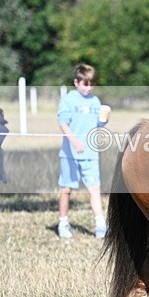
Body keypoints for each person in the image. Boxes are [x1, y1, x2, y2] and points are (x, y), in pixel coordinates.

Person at [56, 63, 111, 239]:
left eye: (91, 84)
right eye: (85, 84)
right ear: (76, 82)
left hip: (90, 154)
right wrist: (74, 142)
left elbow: (98, 125)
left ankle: (100, 225)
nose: (88, 88)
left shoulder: (95, 101)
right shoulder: (68, 100)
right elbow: (63, 123)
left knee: (94, 189)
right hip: (70, 154)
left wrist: (105, 119)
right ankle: (63, 222)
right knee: (67, 189)